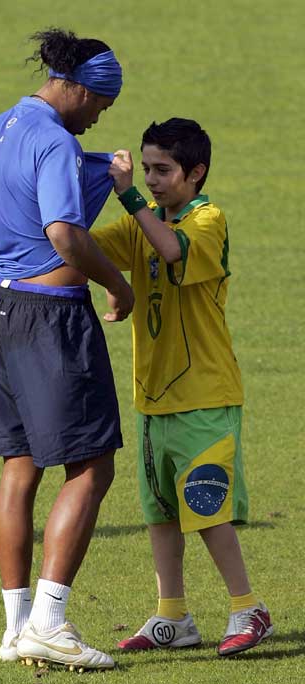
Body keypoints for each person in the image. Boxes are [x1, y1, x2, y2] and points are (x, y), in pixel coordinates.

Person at [0, 28, 134, 672]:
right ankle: (50, 623)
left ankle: (15, 627)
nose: (97, 120)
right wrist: (115, 282)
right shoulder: (53, 139)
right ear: (79, 89)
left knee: (19, 468)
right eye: (100, 107)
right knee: (91, 467)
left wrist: (17, 262)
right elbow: (64, 230)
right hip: (53, 322)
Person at [92, 117, 273, 657]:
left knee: (205, 507)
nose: (151, 179)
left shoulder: (207, 220)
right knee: (162, 512)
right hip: (152, 398)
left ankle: (248, 607)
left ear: (196, 173)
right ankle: (173, 616)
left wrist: (128, 200)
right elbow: (83, 253)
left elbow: (171, 250)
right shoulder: (141, 222)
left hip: (206, 397)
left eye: (163, 170)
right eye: (146, 169)